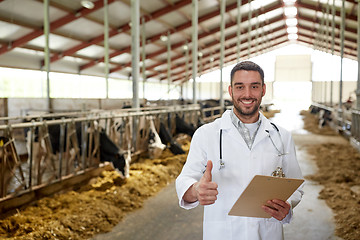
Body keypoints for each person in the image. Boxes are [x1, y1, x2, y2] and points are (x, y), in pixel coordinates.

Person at [175, 61, 304, 240]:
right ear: (231, 91)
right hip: (222, 233)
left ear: (263, 90)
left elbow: (296, 184)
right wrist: (196, 190)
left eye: (254, 86)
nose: (247, 94)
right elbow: (184, 179)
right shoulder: (206, 134)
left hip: (267, 232)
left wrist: (287, 205)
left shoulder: (282, 136)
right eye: (240, 87)